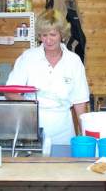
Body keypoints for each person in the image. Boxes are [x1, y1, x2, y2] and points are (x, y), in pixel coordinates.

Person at [5, 9, 89, 145]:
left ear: (62, 34)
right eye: (44, 35)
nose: (48, 40)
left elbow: (79, 102)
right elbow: (10, 91)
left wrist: (86, 136)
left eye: (53, 35)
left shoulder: (73, 61)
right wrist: (32, 108)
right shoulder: (28, 57)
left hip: (63, 131)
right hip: (31, 129)